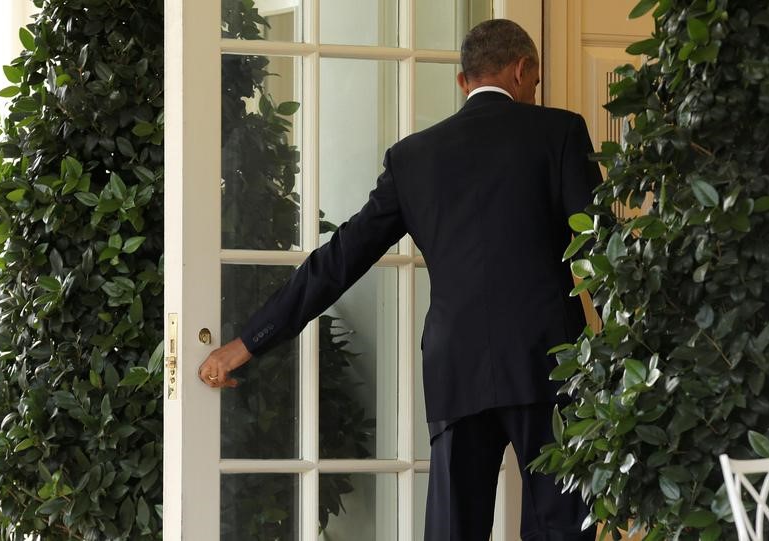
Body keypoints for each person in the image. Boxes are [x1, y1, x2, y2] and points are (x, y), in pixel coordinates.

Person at [199, 19, 601, 541]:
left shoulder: (414, 157)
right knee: (560, 531)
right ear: (524, 70)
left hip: (457, 369)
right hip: (549, 363)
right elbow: (600, 251)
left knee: (455, 530)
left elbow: (339, 260)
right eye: (536, 80)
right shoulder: (560, 132)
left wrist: (246, 343)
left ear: (463, 82)